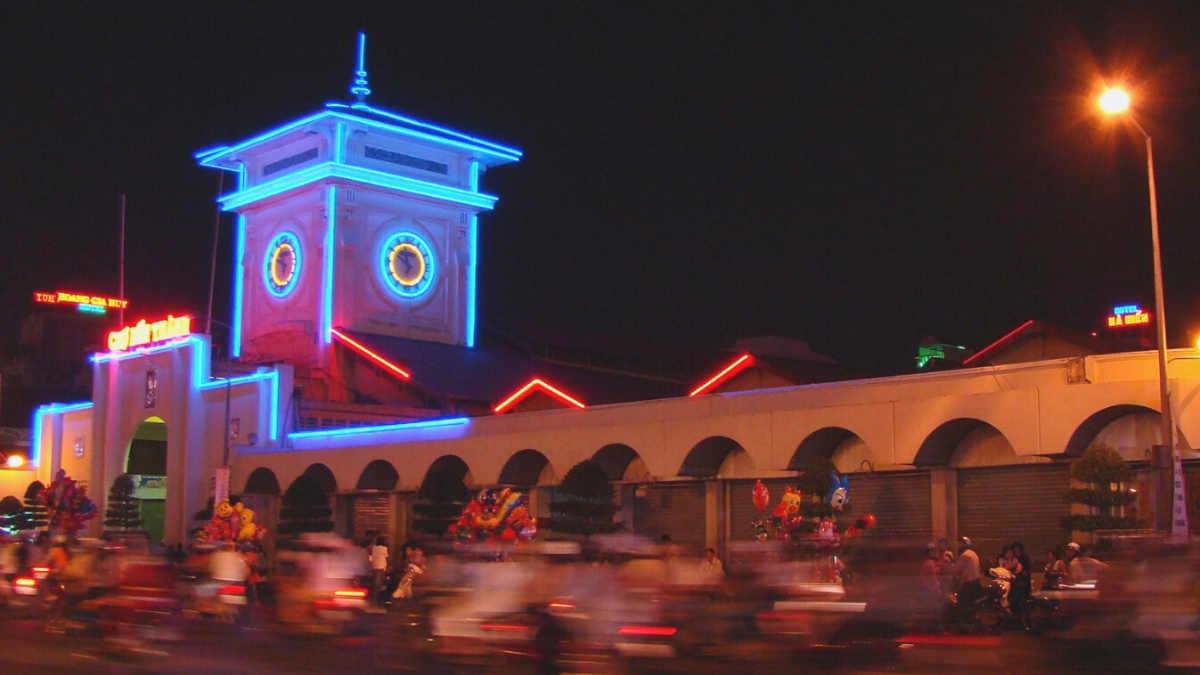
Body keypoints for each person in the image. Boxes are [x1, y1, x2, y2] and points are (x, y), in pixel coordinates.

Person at [369, 536, 388, 607]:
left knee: (375, 584)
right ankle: (376, 600)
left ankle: (373, 599)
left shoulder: (374, 548)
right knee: (379, 585)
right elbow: (386, 558)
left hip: (374, 567)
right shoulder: (384, 548)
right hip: (381, 567)